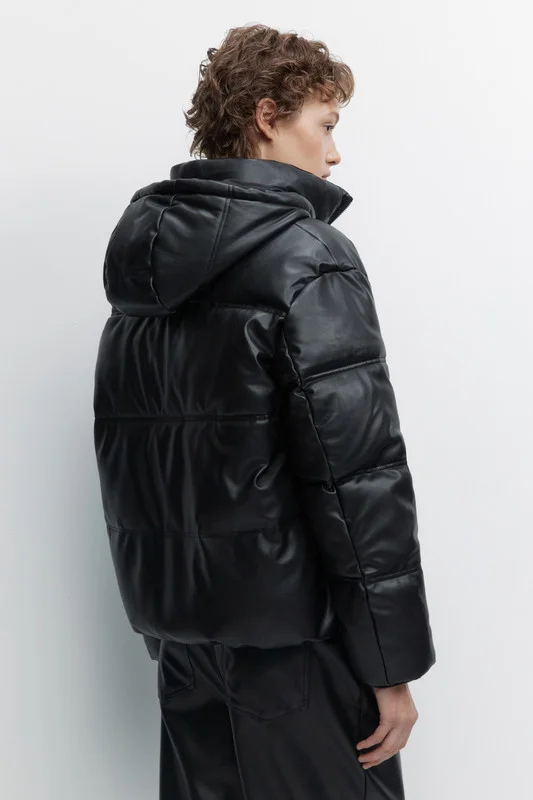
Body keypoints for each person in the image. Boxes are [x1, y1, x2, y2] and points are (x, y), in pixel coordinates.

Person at [93, 23, 436, 800]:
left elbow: (133, 461)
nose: (334, 154)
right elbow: (356, 476)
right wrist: (390, 666)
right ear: (266, 115)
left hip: (186, 644)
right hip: (294, 650)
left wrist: (173, 628)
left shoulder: (143, 267)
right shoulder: (306, 255)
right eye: (326, 124)